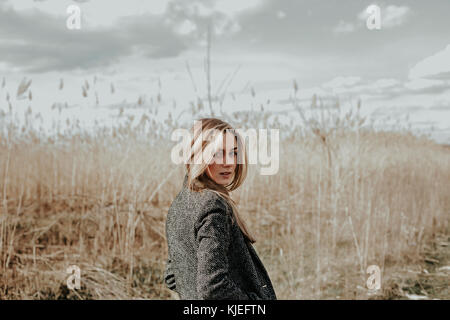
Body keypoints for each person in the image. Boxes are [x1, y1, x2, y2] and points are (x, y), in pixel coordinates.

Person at [164, 118, 277, 300]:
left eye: (233, 153)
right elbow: (213, 288)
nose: (229, 163)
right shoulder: (212, 206)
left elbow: (172, 276)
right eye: (217, 153)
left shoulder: (180, 204)